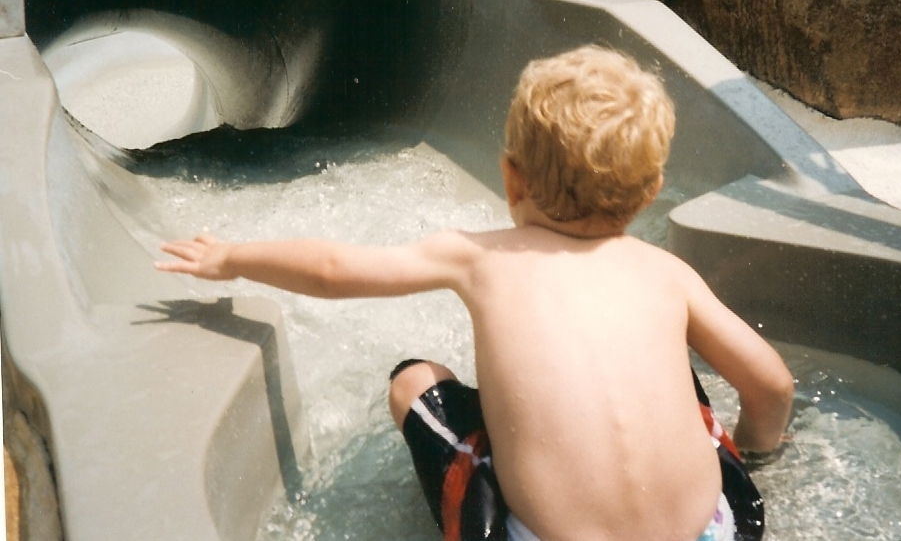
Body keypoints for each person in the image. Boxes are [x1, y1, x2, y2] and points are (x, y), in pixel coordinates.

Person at [156, 45, 794, 541]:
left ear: (511, 178)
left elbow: (330, 268)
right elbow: (771, 386)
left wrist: (231, 257)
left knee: (415, 380)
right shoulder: (666, 273)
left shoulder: (480, 256)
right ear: (649, 192)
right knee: (681, 380)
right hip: (720, 528)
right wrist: (757, 453)